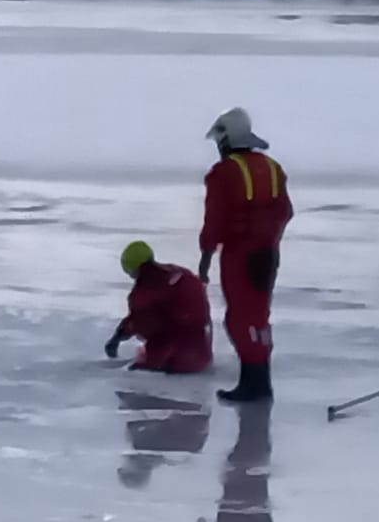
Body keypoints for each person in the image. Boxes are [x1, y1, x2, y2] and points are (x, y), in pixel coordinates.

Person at [197, 107, 292, 403]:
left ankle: (253, 384)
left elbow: (215, 219)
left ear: (226, 139)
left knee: (240, 319)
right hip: (268, 254)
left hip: (240, 256)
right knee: (259, 317)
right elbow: (285, 211)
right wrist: (269, 239)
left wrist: (206, 255)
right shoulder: (273, 167)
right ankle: (259, 381)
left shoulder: (223, 173)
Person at [103, 240, 213, 375]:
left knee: (132, 373)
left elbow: (138, 323)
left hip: (176, 360)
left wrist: (118, 336)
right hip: (202, 354)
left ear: (134, 270)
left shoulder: (143, 293)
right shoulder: (181, 273)